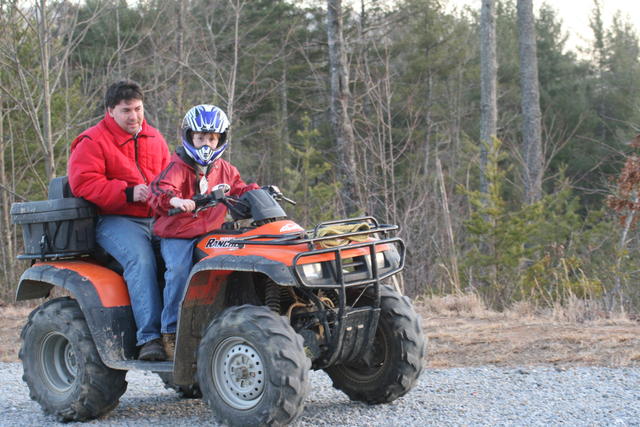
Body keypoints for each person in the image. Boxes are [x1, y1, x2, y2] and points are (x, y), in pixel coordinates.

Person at [68, 80, 171, 360]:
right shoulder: (92, 141)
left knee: (185, 253)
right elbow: (84, 184)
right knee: (142, 260)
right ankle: (149, 339)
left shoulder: (154, 138)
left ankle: (179, 333)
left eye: (138, 109)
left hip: (157, 218)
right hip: (115, 219)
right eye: (126, 110)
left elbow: (171, 176)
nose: (134, 117)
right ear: (110, 110)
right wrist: (128, 192)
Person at [149, 104, 259, 360]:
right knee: (177, 272)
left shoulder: (226, 170)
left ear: (221, 138)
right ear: (189, 137)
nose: (205, 143)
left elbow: (239, 188)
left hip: (211, 234)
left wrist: (259, 192)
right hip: (178, 235)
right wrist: (175, 201)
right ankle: (171, 332)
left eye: (211, 138)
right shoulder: (177, 167)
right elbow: (159, 189)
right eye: (200, 137)